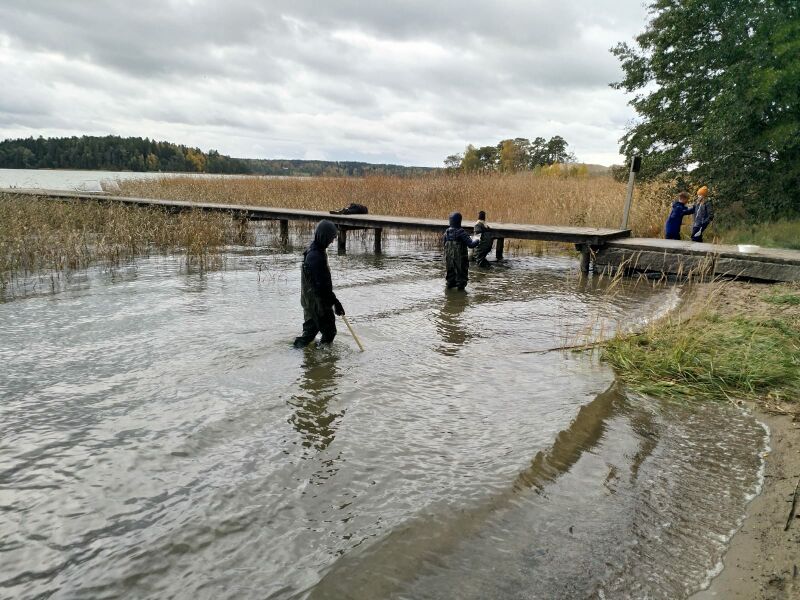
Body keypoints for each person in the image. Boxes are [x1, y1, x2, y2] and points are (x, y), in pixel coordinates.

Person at [293, 220, 346, 348]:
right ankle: (323, 363)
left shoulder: (314, 249)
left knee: (310, 333)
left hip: (310, 300)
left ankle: (308, 357)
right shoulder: (316, 257)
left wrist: (334, 302)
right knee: (329, 332)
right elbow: (322, 287)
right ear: (324, 236)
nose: (332, 241)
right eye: (331, 238)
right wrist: (335, 303)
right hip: (317, 303)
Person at [443, 212, 479, 290]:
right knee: (461, 276)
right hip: (460, 259)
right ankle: (461, 297)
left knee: (450, 275)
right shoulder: (461, 232)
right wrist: (477, 240)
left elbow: (444, 244)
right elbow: (471, 245)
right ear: (459, 221)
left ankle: (449, 295)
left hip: (449, 259)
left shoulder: (447, 232)